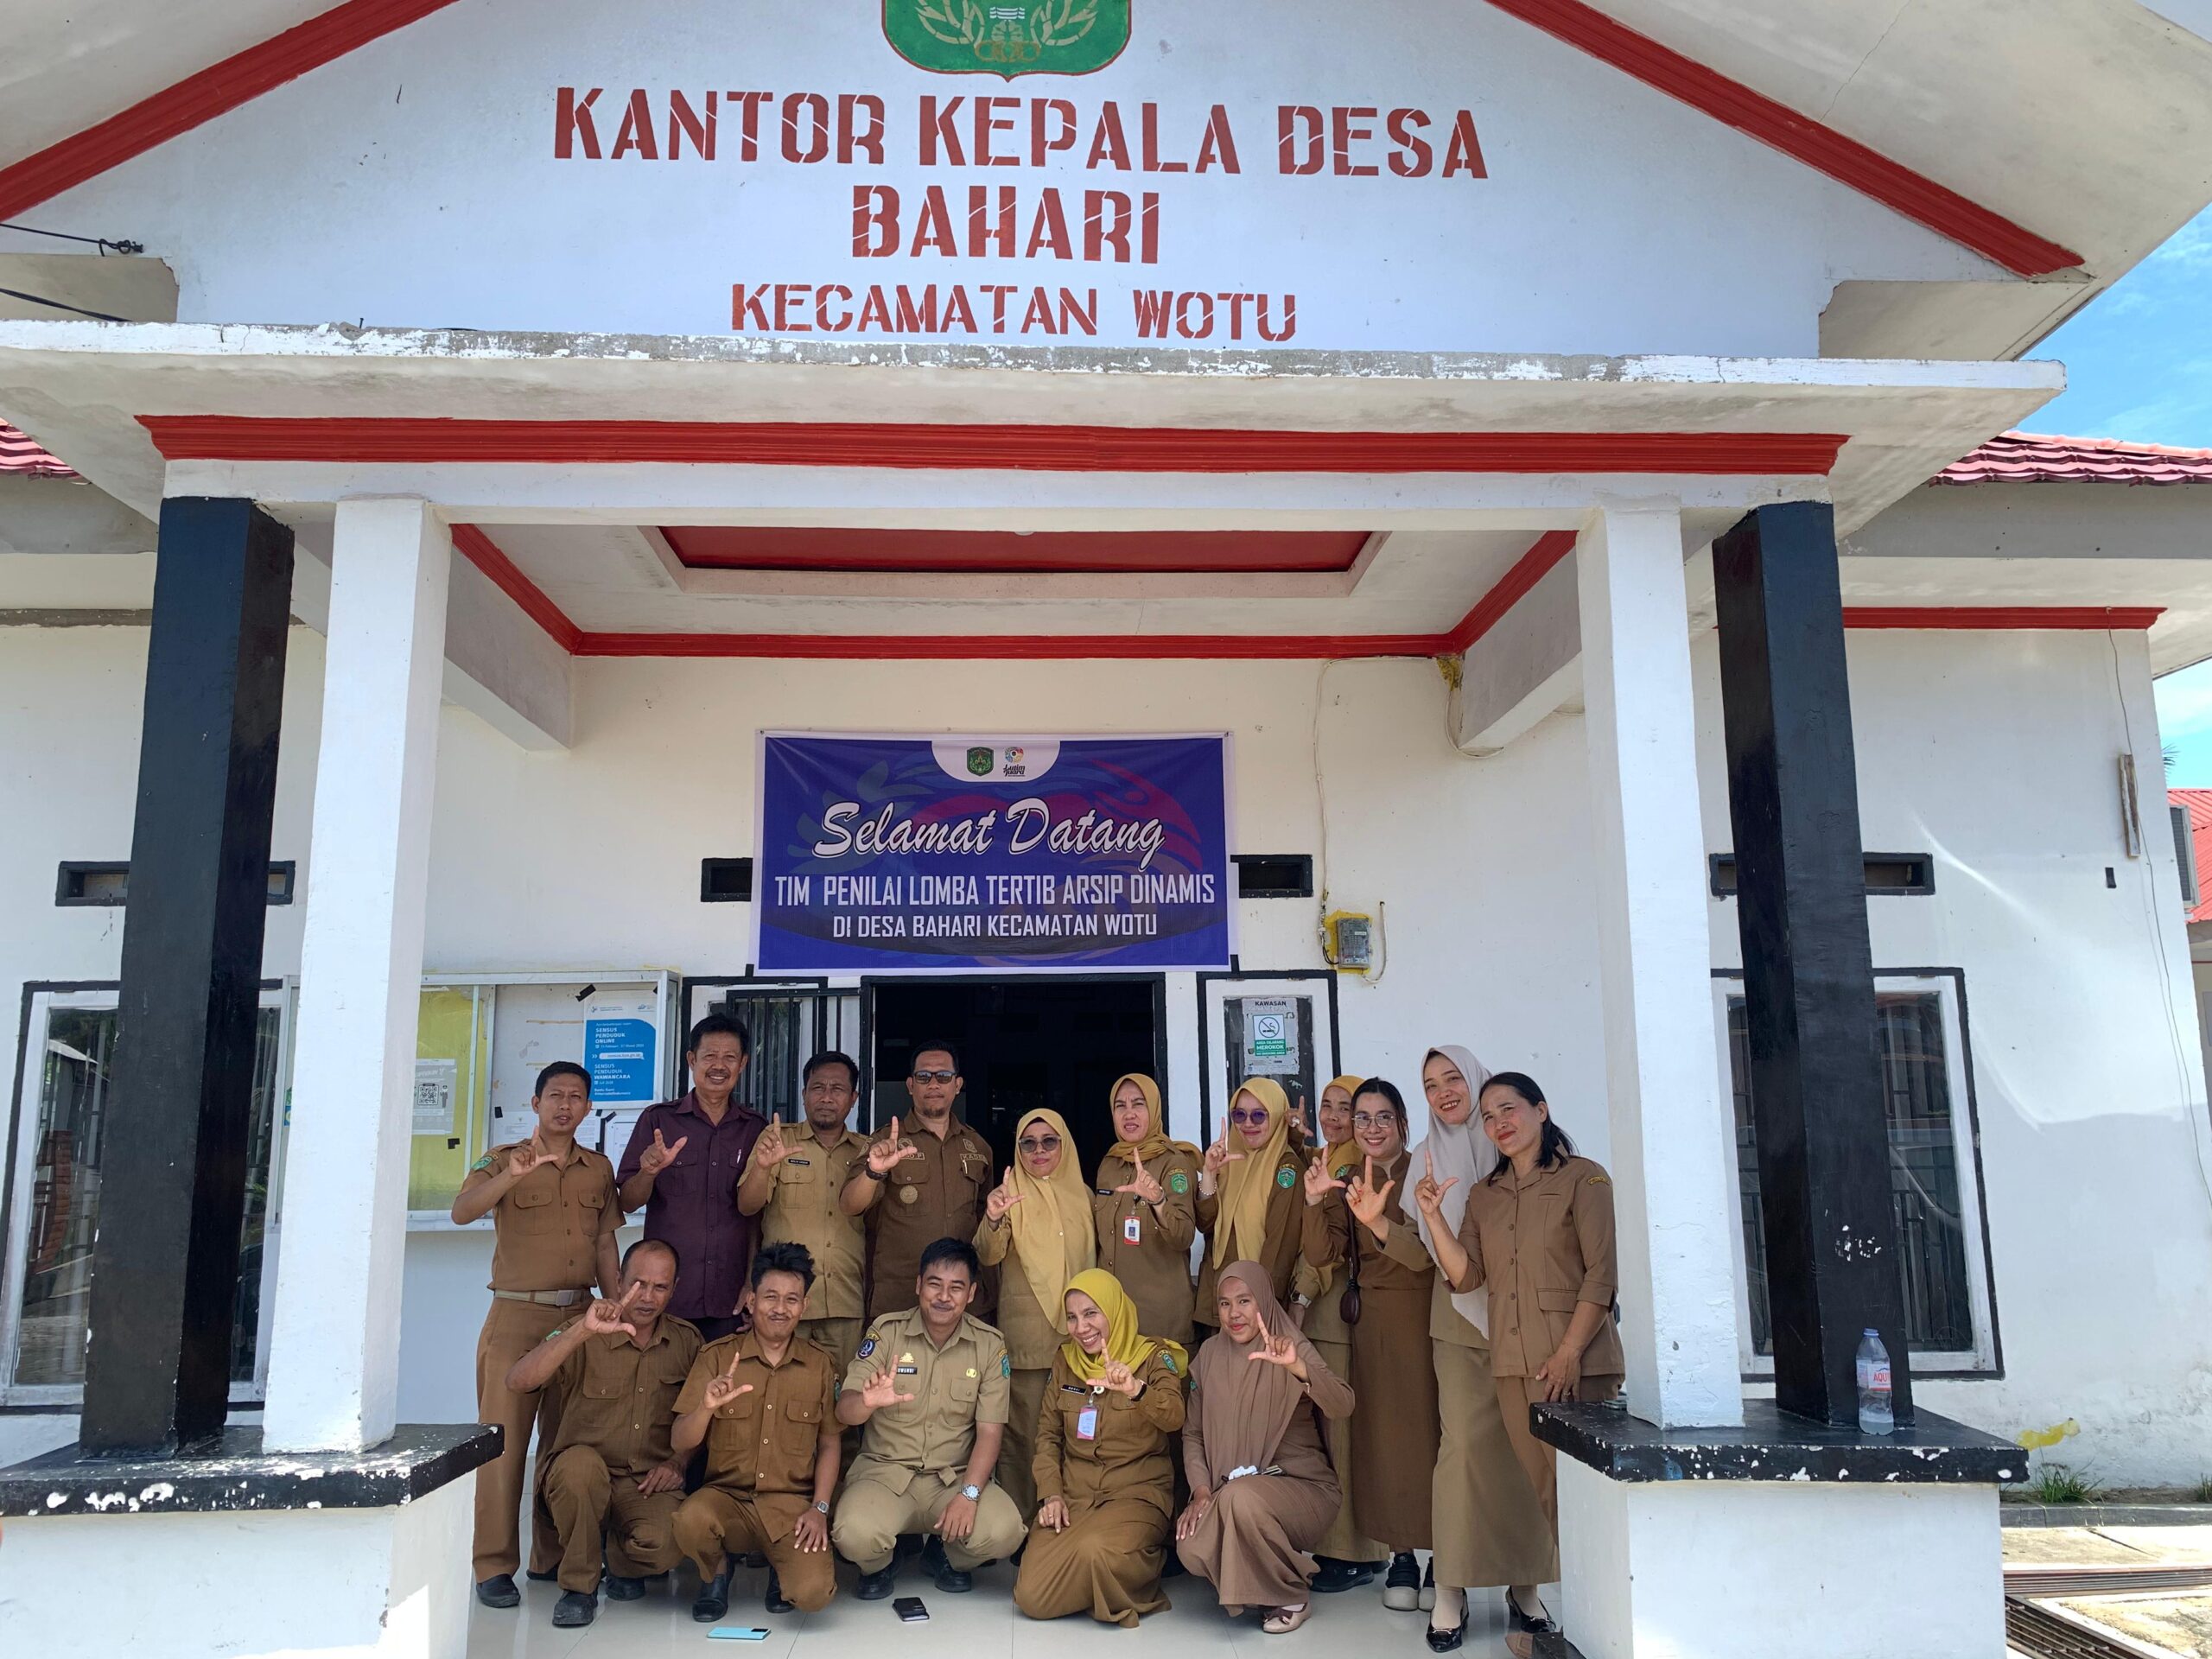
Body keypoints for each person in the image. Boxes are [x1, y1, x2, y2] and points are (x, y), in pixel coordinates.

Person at [1418, 1071, 1623, 1659]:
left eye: (1508, 1109)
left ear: (1541, 1109)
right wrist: (1433, 1216)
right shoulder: (1485, 1194)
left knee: (1588, 1501)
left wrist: (1569, 1352)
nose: (1498, 1123)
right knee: (1549, 1499)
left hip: (1577, 1362)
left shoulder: (1585, 1178)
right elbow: (1466, 1277)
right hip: (1514, 1369)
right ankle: (1581, 1633)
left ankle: (1608, 1626)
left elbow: (1602, 1275)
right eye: (1488, 1116)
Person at [450, 1060, 622, 1610]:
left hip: (579, 1317)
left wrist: (617, 1306)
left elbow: (604, 1244)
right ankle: (494, 1565)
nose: (565, 1105)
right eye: (555, 1096)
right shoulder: (502, 1160)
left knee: (565, 1443)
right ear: (536, 1103)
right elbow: (461, 1212)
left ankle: (550, 1559)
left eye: (575, 1097)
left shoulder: (598, 1169)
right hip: (517, 1318)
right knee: (503, 1448)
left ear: (588, 1107)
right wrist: (511, 1178)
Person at [1403, 1046, 1556, 1655]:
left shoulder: (1513, 1143)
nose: (1443, 1092)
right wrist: (1381, 1225)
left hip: (1526, 1321)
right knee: (1462, 1452)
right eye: (1430, 1084)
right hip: (1459, 1321)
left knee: (1527, 1451)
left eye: (1452, 1078)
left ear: (1476, 1079)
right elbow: (1424, 1253)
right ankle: (1452, 1587)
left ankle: (1526, 1587)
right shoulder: (1424, 1157)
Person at [501, 1238, 702, 1629]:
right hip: (579, 1475)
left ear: (674, 1289)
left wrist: (678, 1463)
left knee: (669, 1542)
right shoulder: (585, 1329)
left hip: (642, 1483)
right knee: (581, 1470)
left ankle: (620, 1560)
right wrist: (580, 1332)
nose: (647, 1297)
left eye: (660, 1287)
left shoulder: (687, 1341)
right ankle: (579, 1588)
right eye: (638, 1284)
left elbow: (697, 1419)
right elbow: (517, 1380)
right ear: (618, 1280)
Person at [1311, 1078, 1447, 1617]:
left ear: (1403, 1123)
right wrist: (1315, 1202)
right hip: (1372, 1324)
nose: (1371, 1128)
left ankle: (1444, 1555)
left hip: (1426, 1315)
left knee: (1433, 1433)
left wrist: (1380, 1220)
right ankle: (1403, 1555)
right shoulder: (1348, 1180)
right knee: (1385, 1439)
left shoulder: (1423, 1171)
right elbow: (1324, 1253)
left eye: (1383, 1117)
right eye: (1362, 1118)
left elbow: (1427, 1257)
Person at [830, 1236, 1027, 1598]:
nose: (943, 1297)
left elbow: (989, 1433)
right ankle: (881, 1562)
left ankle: (945, 1554)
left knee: (1005, 1531)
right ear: (919, 1285)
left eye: (956, 1288)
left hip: (952, 1478)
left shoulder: (989, 1345)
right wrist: (868, 1402)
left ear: (971, 1294)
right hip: (886, 1476)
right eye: (935, 1284)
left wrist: (969, 1495)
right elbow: (845, 1411)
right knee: (853, 1535)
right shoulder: (886, 1333)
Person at [1174, 1261, 1355, 1635]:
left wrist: (1297, 1368)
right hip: (1232, 1490)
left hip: (1302, 1488)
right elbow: (1193, 1435)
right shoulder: (1209, 1355)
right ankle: (1260, 1572)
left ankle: (1291, 1594)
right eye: (1225, 1303)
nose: (1234, 1314)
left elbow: (1343, 1404)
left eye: (1245, 1301)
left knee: (1240, 1498)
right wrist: (1202, 1493)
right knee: (1190, 1547)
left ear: (1264, 1302)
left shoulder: (1288, 1345)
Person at [670, 1241, 843, 1622]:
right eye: (770, 1297)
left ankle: (781, 1569)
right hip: (726, 1499)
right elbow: (679, 1440)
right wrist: (705, 1409)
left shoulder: (819, 1365)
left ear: (804, 1306)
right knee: (689, 1520)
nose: (780, 1308)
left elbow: (831, 1444)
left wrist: (820, 1508)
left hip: (790, 1507)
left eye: (791, 1299)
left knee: (813, 1595)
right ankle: (717, 1573)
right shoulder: (717, 1357)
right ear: (751, 1300)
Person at [1014, 1268, 1188, 1626]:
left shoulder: (1153, 1356)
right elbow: (1048, 1436)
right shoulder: (1066, 1360)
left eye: (1091, 1313)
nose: (1081, 1328)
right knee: (1031, 1597)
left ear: (1114, 1310)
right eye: (1072, 1317)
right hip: (1075, 1496)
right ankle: (1096, 1581)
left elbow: (1175, 1417)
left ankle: (1146, 1560)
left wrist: (1136, 1390)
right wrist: (1051, 1495)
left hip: (1136, 1494)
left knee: (1095, 1550)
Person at [974, 1106, 1096, 1519]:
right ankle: (1021, 1524)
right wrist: (994, 1217)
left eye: (1049, 1142)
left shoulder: (1085, 1197)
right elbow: (987, 1254)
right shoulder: (1010, 1196)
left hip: (1080, 1339)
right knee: (1023, 1437)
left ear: (1065, 1145)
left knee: (1076, 1431)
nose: (1039, 1150)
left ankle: (1071, 1518)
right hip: (1028, 1340)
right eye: (1028, 1143)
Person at [617, 1014, 766, 1340]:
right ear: (691, 1059)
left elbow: (757, 1218)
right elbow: (627, 1202)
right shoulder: (659, 1121)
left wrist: (751, 1282)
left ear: (743, 1063)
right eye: (710, 1055)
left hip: (731, 1300)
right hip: (667, 1300)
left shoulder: (755, 1128)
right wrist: (648, 1172)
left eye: (729, 1057)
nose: (719, 1066)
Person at [1299, 1075, 1389, 1595]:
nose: (1334, 1117)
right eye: (1328, 1107)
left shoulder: (1355, 1165)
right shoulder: (1327, 1158)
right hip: (1329, 1317)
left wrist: (1301, 1296)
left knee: (1343, 1433)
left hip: (1340, 1316)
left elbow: (1328, 1252)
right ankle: (1355, 1548)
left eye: (1345, 1109)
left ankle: (1352, 1552)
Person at [736, 1050, 871, 1373]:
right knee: (778, 1389)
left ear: (853, 1098)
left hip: (844, 1302)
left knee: (840, 1391)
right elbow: (747, 1206)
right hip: (782, 1301)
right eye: (817, 1088)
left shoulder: (866, 1152)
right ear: (804, 1094)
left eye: (837, 1089)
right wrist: (763, 1168)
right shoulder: (777, 1140)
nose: (826, 1097)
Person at [841, 1042, 995, 1319]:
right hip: (901, 1299)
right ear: (911, 1085)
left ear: (957, 1085)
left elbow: (987, 1223)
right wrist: (874, 1171)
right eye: (924, 1077)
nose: (933, 1084)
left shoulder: (978, 1147)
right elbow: (850, 1205)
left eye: (943, 1076)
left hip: (963, 1300)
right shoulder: (886, 1141)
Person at [1194, 1077, 1319, 1331]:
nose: (1248, 1123)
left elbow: (1280, 1247)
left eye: (1259, 1115)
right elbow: (1206, 1224)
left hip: (1253, 1310)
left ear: (1276, 1116)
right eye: (1239, 1115)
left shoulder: (1285, 1168)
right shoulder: (1229, 1161)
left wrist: (1261, 1308)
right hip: (1215, 1298)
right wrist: (1209, 1174)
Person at [1090, 1072, 1202, 1345]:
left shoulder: (1174, 1164)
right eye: (1120, 1106)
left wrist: (1158, 1201)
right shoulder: (1109, 1164)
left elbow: (1183, 1236)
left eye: (1138, 1104)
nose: (1129, 1114)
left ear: (1153, 1109)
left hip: (1159, 1325)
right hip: (1114, 1323)